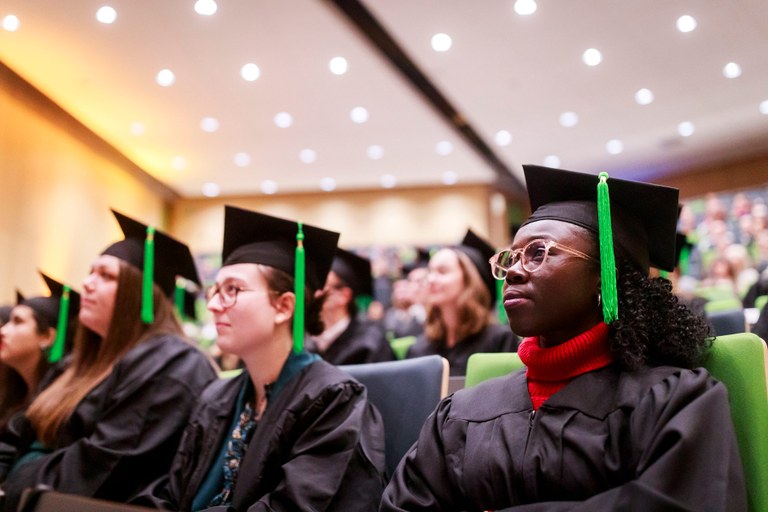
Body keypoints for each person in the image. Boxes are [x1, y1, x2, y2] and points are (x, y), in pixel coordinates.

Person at [381, 165, 746, 510]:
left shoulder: (674, 401)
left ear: (603, 277)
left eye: (538, 253)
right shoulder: (460, 414)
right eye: (511, 258)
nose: (514, 272)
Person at [133, 206, 386, 511]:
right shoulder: (215, 398)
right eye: (214, 291)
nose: (213, 305)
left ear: (284, 307)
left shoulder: (333, 401)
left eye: (232, 289)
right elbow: (173, 494)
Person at [0, 210, 216, 509]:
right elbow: (19, 433)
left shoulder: (174, 363)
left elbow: (102, 470)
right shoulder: (76, 364)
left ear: (139, 293)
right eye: (91, 272)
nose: (87, 283)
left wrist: (16, 479)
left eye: (106, 275)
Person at [406, 230, 519, 376]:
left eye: (442, 271)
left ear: (468, 280)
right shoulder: (418, 349)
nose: (431, 279)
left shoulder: (500, 340)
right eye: (430, 272)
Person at [0, 273, 80, 433]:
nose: (3, 331)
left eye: (17, 322)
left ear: (46, 337)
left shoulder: (60, 405)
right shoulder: (14, 395)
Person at [308, 248, 394, 365]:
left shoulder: (370, 344)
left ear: (344, 296)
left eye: (321, 286)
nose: (314, 293)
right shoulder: (304, 342)